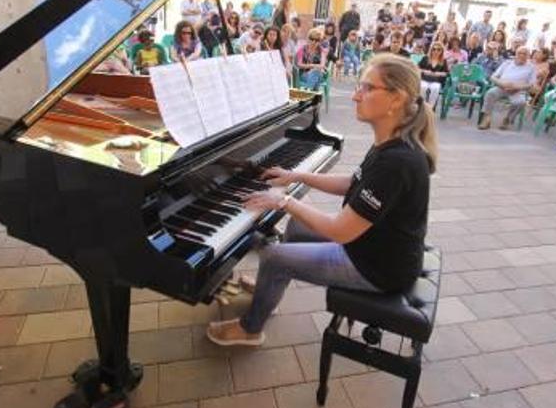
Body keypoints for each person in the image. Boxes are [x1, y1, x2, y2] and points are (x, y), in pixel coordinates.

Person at [206, 53, 437, 347]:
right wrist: (296, 176)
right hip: (372, 246)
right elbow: (350, 185)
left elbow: (340, 231)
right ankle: (270, 291)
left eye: (367, 88)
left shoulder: (397, 162)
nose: (355, 96)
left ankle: (251, 328)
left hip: (378, 268)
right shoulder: (390, 143)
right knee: (294, 230)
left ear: (396, 99)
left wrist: (284, 201)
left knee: (274, 256)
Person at [479, 47, 536, 131]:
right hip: (501, 87)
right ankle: (487, 118)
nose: (522, 55)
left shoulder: (531, 67)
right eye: (519, 53)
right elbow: (493, 77)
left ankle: (508, 119)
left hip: (518, 91)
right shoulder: (507, 63)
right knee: (490, 93)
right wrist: (501, 83)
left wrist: (517, 87)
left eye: (524, 54)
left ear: (528, 56)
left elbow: (531, 84)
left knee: (520, 102)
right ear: (516, 54)